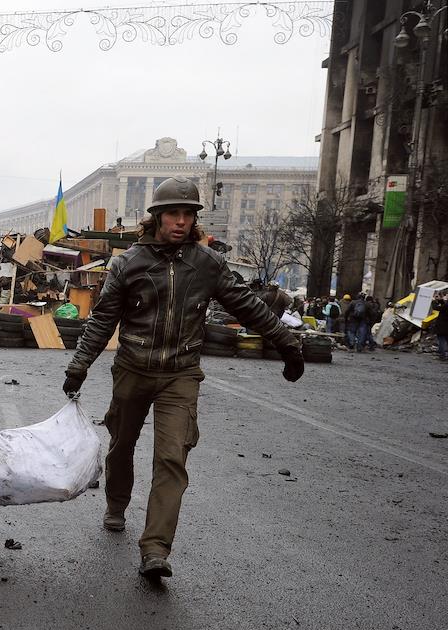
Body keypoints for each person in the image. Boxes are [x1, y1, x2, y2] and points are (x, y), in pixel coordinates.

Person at [62, 176, 304, 579]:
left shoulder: (207, 264)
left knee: (172, 458)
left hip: (181, 374)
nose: (181, 221)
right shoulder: (128, 263)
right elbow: (103, 321)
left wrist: (287, 342)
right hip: (133, 369)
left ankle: (155, 549)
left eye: (188, 214)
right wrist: (79, 366)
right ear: (157, 216)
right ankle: (116, 504)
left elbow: (247, 306)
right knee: (121, 445)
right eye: (173, 213)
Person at [432, 291, 448, 361]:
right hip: (446, 326)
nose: (446, 296)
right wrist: (440, 300)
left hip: (443, 326)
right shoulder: (446, 305)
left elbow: (436, 308)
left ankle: (442, 356)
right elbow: (444, 305)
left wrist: (433, 301)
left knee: (441, 340)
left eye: (447, 295)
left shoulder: (446, 306)